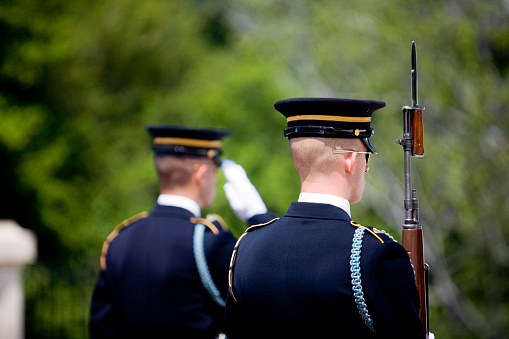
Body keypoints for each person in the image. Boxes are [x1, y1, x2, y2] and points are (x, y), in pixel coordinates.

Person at [225, 98, 426, 338]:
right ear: (350, 160)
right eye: (366, 156)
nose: (367, 167)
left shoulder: (246, 248)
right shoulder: (374, 254)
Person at [89, 125, 275, 339]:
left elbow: (101, 328)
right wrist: (259, 216)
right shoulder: (208, 243)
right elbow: (270, 291)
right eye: (214, 170)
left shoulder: (119, 240)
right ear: (202, 173)